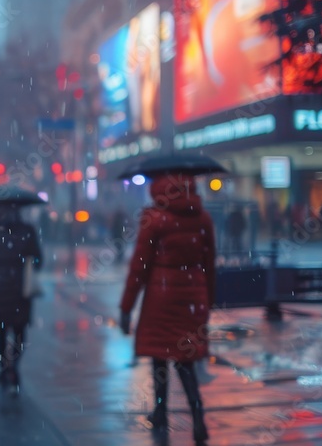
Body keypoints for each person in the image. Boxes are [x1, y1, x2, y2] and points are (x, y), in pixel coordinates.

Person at [119, 173, 214, 443]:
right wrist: (209, 302)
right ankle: (198, 418)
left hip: (161, 293)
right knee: (186, 361)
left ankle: (161, 410)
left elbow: (139, 266)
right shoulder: (202, 218)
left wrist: (127, 307)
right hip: (193, 294)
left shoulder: (155, 219)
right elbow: (210, 263)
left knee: (159, 356)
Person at [0, 202, 43, 396]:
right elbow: (38, 259)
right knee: (20, 330)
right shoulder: (27, 230)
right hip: (20, 285)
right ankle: (13, 365)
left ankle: (4, 368)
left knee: (1, 329)